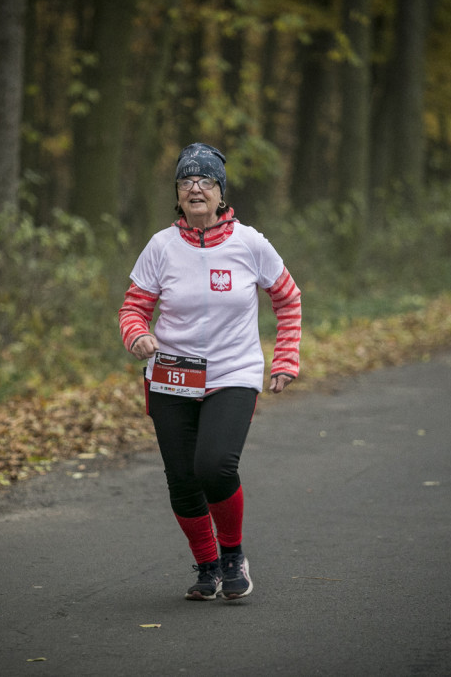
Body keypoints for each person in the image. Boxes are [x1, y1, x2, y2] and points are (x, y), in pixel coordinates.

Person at [118, 143, 302, 601]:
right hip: (171, 375)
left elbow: (287, 298)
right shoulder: (160, 247)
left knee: (215, 466)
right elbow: (134, 308)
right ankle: (207, 565)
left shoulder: (250, 243)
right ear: (177, 195)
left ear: (221, 193)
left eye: (205, 181)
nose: (195, 188)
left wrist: (285, 358)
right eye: (185, 181)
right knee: (181, 477)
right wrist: (137, 335)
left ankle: (233, 554)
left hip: (233, 372)